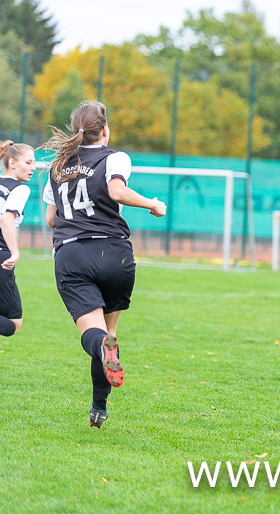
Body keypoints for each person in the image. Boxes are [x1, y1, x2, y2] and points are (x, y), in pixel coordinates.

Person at [41, 100, 167, 428]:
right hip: (115, 254)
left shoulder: (58, 166)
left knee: (95, 336)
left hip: (72, 255)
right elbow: (117, 191)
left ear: (75, 131)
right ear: (105, 131)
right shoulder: (115, 158)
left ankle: (100, 357)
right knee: (109, 333)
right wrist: (153, 204)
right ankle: (99, 407)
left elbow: (51, 219)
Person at [0, 141, 35, 337]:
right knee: (13, 323)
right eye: (28, 162)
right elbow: (6, 219)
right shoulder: (20, 189)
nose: (33, 168)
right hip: (2, 257)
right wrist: (14, 252)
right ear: (12, 162)